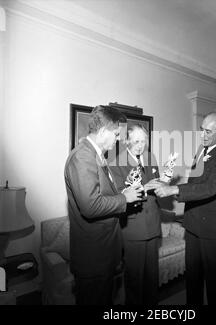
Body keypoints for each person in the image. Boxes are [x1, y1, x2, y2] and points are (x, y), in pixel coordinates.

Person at [154, 112, 216, 305]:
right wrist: (169, 175)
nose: (203, 135)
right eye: (202, 130)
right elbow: (195, 181)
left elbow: (210, 187)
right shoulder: (201, 149)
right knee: (193, 276)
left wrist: (173, 189)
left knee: (215, 280)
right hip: (193, 223)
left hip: (213, 228)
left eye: (208, 131)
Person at [64, 106, 143, 305]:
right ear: (102, 132)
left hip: (104, 252)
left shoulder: (97, 155)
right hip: (93, 257)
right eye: (116, 134)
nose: (118, 139)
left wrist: (122, 193)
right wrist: (125, 199)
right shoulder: (83, 156)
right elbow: (90, 206)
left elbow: (102, 194)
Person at [110, 124, 161, 305]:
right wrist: (143, 190)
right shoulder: (116, 164)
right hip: (133, 227)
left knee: (152, 278)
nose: (141, 145)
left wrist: (163, 184)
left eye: (144, 141)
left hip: (153, 224)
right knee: (134, 280)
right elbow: (119, 196)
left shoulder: (150, 158)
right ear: (126, 142)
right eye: (136, 141)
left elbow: (156, 184)